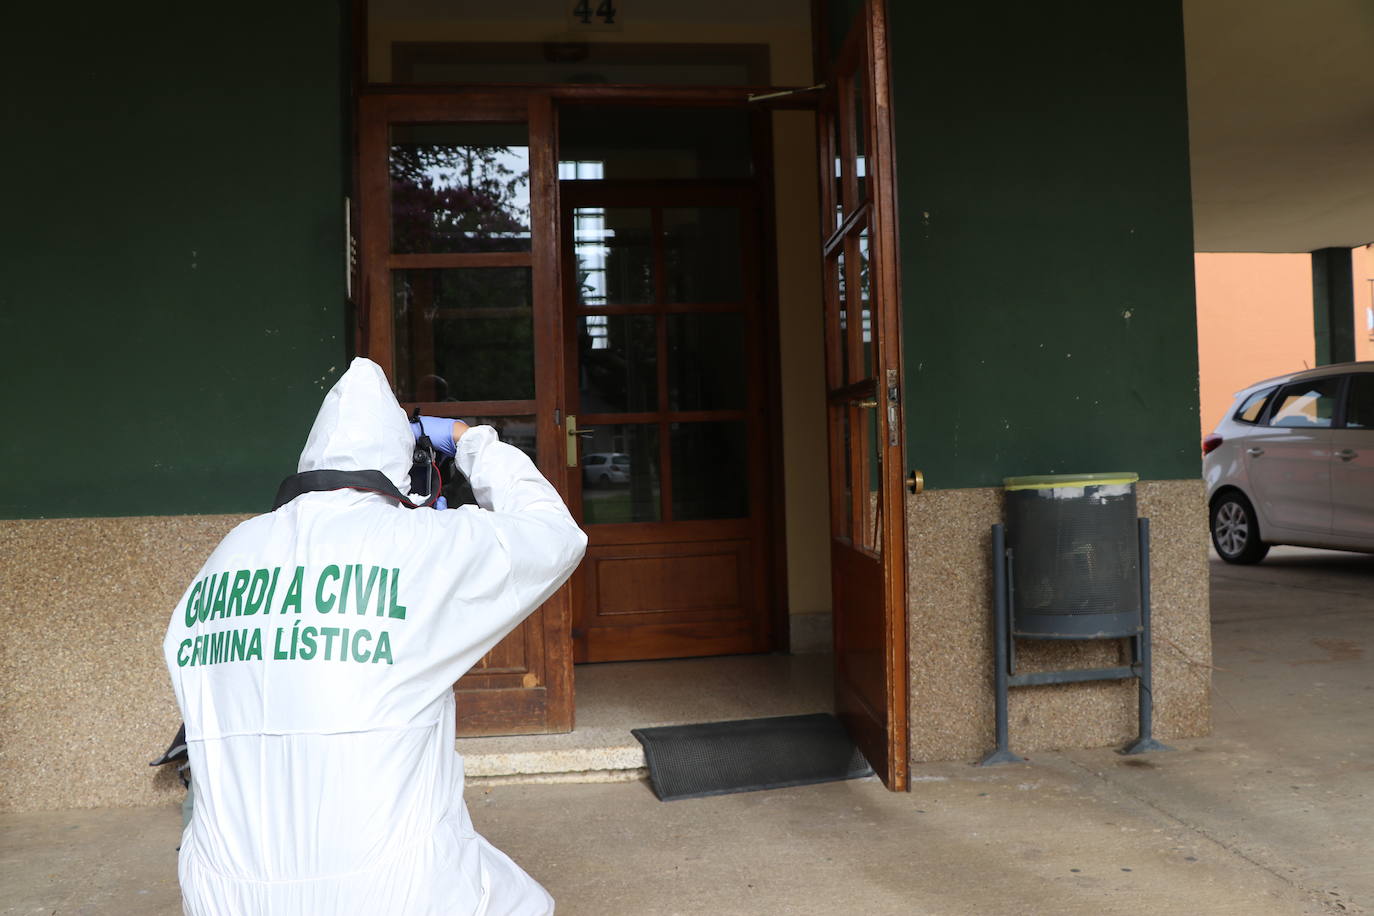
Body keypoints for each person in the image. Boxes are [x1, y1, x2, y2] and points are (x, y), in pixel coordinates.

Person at [162, 357, 586, 915]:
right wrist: (469, 442)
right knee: (522, 905)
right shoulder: (419, 543)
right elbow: (554, 533)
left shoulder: (228, 554)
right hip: (394, 893)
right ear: (401, 472)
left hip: (222, 895)